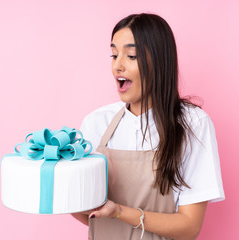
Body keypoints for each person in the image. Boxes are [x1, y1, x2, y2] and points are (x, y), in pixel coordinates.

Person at [72, 13, 225, 240]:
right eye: (114, 55)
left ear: (159, 61)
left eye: (131, 55)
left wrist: (119, 212)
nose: (117, 66)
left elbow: (189, 226)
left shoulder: (193, 124)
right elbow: (88, 213)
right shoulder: (96, 123)